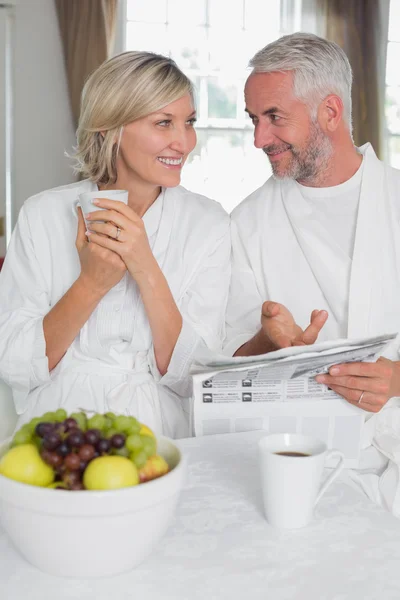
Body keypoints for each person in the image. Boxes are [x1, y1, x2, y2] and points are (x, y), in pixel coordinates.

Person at [0, 51, 230, 438]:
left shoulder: (209, 224)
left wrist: (144, 264)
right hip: (57, 428)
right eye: (163, 123)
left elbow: (195, 376)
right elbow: (15, 361)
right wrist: (91, 283)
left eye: (188, 123)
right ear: (108, 128)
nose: (184, 142)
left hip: (159, 432)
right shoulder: (43, 214)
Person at [225, 33, 400, 514]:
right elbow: (226, 361)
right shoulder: (245, 224)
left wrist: (397, 379)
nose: (260, 139)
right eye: (254, 120)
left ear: (329, 111)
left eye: (274, 117)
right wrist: (269, 343)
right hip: (302, 462)